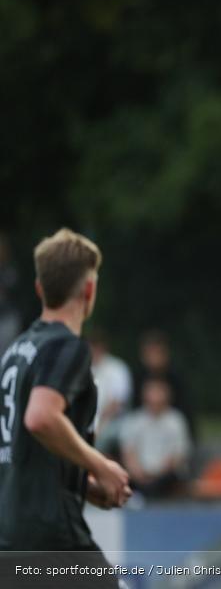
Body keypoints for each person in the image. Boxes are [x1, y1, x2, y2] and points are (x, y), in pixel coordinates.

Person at [0, 228, 131, 588]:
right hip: (51, 535)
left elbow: (21, 446)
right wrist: (100, 464)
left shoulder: (17, 351)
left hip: (11, 535)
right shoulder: (66, 347)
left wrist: (83, 484)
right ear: (89, 290)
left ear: (40, 289)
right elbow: (41, 418)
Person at [120, 376, 192, 498]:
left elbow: (177, 456)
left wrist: (156, 475)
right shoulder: (134, 420)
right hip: (138, 476)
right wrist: (138, 473)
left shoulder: (176, 421)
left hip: (165, 476)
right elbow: (128, 453)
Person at [89, 328, 133, 456]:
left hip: (114, 421)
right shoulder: (85, 368)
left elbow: (117, 404)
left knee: (99, 438)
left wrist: (99, 424)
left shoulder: (117, 368)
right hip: (90, 420)